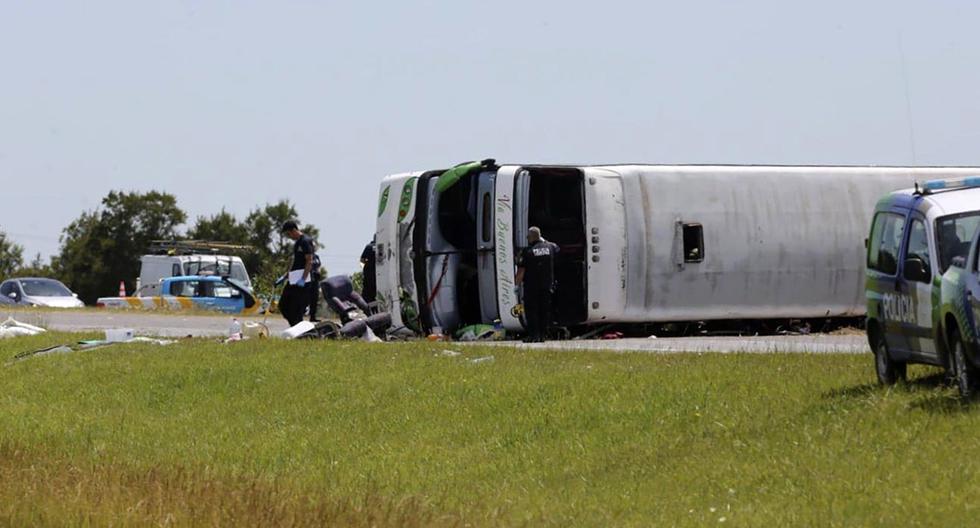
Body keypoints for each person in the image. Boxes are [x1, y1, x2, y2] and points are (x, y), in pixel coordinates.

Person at [516, 227, 560, 343]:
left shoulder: (527, 251)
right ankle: (543, 335)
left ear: (531, 237)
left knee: (532, 311)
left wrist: (516, 284)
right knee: (544, 311)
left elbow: (521, 271)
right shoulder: (550, 247)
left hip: (531, 287)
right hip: (546, 286)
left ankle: (534, 336)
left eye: (528, 236)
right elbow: (557, 249)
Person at [279, 220, 315, 327]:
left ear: (294, 230)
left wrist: (303, 279)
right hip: (294, 279)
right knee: (283, 305)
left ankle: (299, 330)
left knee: (296, 308)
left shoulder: (305, 241)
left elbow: (309, 261)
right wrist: (285, 276)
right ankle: (294, 326)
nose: (289, 237)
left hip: (303, 280)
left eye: (289, 234)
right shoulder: (297, 243)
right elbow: (295, 261)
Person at [360, 237, 377, 302]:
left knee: (367, 297)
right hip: (379, 277)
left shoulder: (369, 247)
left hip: (368, 276)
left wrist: (363, 270)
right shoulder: (382, 246)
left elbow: (362, 260)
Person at [308, 252, 323, 322]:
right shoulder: (307, 255)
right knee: (306, 298)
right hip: (308, 279)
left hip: (315, 280)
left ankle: (312, 317)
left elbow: (319, 265)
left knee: (314, 298)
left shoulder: (316, 256)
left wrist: (318, 272)